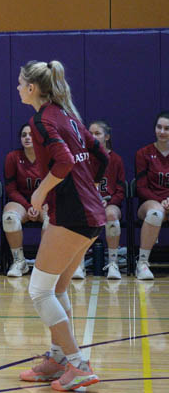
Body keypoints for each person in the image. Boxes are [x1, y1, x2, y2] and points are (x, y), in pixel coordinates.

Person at [16, 60, 106, 391]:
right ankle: (57, 360)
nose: (17, 87)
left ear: (32, 88)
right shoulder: (67, 114)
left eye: (20, 82)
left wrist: (38, 194)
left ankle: (78, 364)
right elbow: (102, 155)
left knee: (39, 291)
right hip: (91, 214)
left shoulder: (41, 121)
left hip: (72, 215)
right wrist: (91, 185)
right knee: (56, 289)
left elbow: (66, 161)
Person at [3, 124, 47, 277]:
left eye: (31, 135)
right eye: (24, 135)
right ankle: (19, 261)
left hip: (43, 202)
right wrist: (28, 206)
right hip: (21, 202)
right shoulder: (13, 157)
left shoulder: (48, 157)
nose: (27, 138)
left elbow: (53, 187)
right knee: (9, 217)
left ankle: (44, 264)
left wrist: (37, 205)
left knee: (53, 218)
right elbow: (11, 189)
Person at [86, 120, 125, 280]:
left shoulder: (115, 160)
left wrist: (108, 202)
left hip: (109, 203)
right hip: (88, 204)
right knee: (80, 215)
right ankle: (78, 264)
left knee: (111, 215)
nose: (93, 136)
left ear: (107, 137)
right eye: (90, 134)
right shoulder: (84, 158)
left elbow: (121, 190)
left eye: (97, 133)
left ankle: (113, 263)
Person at [133, 111, 169, 281]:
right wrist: (161, 202)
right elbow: (140, 187)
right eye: (159, 127)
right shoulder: (144, 153)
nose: (162, 132)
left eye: (167, 128)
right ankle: (142, 264)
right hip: (149, 203)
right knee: (156, 212)